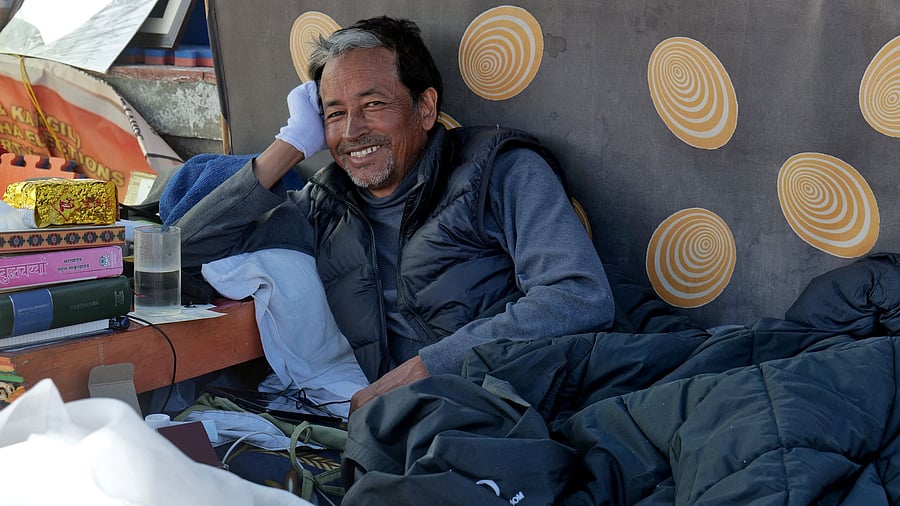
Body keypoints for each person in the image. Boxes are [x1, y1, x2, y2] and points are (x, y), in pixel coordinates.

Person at [166, 16, 615, 413]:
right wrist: (288, 146)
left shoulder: (502, 172)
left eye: (373, 105)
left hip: (522, 408)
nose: (353, 131)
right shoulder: (323, 206)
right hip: (405, 431)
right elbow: (175, 256)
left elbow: (577, 295)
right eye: (334, 113)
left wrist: (429, 367)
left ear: (425, 108)